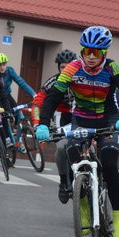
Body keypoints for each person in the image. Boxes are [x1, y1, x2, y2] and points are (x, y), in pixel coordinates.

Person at [36, 26, 119, 237]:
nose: (91, 57)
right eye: (87, 51)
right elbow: (53, 97)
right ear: (81, 50)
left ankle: (118, 219)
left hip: (108, 120)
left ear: (105, 53)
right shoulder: (72, 68)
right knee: (74, 161)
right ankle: (82, 207)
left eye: (97, 52)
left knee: (110, 165)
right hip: (80, 119)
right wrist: (43, 124)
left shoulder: (113, 68)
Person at [33, 49, 77, 203]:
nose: (65, 70)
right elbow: (38, 103)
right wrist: (38, 123)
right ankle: (64, 180)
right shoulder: (53, 81)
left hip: (81, 114)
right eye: (62, 68)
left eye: (68, 67)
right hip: (62, 115)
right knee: (61, 147)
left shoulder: (82, 79)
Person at [0, 52, 36, 151]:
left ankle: (18, 138)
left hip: (7, 95)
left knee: (18, 111)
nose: (2, 67)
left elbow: (21, 82)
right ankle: (7, 139)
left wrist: (34, 94)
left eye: (4, 64)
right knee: (3, 115)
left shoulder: (10, 71)